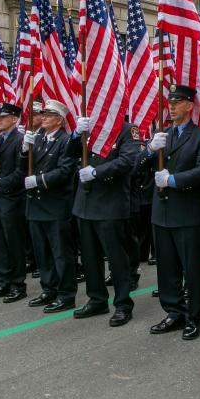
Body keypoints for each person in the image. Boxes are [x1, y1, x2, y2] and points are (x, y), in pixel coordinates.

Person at [137, 84, 200, 341]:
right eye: (170, 102)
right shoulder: (162, 135)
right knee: (167, 268)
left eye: (177, 102)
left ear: (190, 106)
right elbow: (136, 168)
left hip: (188, 214)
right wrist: (149, 150)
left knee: (190, 270)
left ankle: (194, 316)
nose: (171, 106)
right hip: (162, 214)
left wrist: (173, 180)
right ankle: (173, 311)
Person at [68, 115, 142, 327]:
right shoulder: (91, 128)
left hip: (111, 203)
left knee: (117, 258)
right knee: (90, 257)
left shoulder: (128, 130)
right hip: (85, 202)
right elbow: (70, 153)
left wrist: (96, 172)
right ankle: (97, 298)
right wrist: (75, 135)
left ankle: (122, 304)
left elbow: (128, 161)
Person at [23, 100, 77, 313]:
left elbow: (65, 171)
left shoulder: (64, 141)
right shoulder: (37, 139)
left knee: (61, 253)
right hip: (36, 205)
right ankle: (49, 289)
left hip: (55, 204)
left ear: (60, 120)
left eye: (48, 114)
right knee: (42, 252)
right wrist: (23, 150)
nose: (43, 117)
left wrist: (39, 180)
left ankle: (66, 294)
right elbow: (23, 166)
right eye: (43, 114)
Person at [0, 103, 29, 304]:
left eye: (3, 117)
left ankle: (18, 284)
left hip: (13, 198)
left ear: (14, 119)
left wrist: (0, 183)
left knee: (14, 243)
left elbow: (21, 172)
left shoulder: (20, 140)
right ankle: (2, 280)